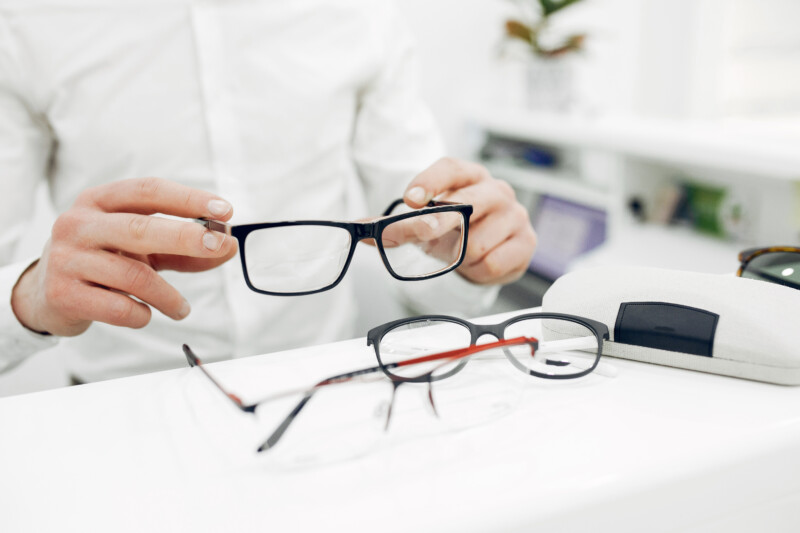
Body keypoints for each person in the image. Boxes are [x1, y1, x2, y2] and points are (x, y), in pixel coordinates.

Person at [0, 0, 537, 382]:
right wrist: (30, 296)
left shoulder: (361, 14)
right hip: (119, 418)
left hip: (330, 400)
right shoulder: (24, 23)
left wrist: (470, 258)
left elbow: (425, 247)